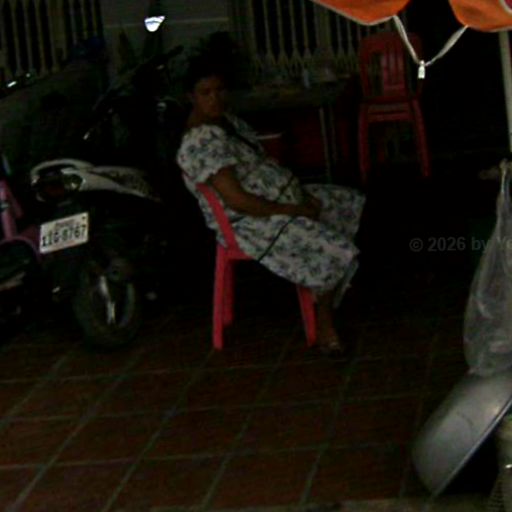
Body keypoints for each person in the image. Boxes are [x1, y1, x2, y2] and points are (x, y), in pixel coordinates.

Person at [177, 58, 365, 356]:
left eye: (220, 90)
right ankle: (324, 321)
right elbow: (238, 200)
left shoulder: (227, 122)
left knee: (345, 202)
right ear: (191, 97)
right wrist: (294, 210)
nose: (215, 98)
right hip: (251, 221)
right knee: (335, 248)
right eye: (205, 93)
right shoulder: (200, 141)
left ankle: (324, 290)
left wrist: (299, 196)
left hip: (281, 200)